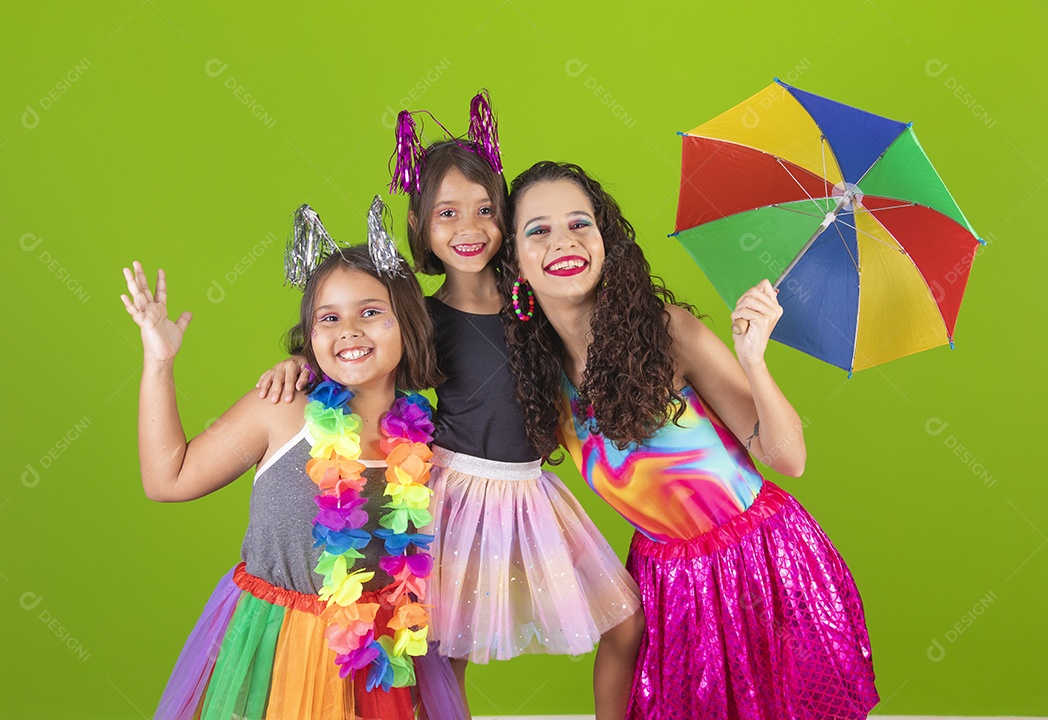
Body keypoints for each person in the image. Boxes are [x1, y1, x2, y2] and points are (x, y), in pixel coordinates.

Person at [258, 93, 644, 720]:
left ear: (508, 220)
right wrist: (300, 364)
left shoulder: (536, 297)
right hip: (457, 491)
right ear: (421, 228)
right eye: (447, 214)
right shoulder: (423, 317)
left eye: (486, 211)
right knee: (444, 650)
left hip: (531, 490)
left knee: (623, 623)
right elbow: (358, 348)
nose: (469, 229)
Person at [502, 160, 879, 719]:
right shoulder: (534, 376)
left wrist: (754, 361)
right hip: (667, 581)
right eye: (538, 230)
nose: (564, 241)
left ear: (605, 238)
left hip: (760, 563)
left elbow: (788, 459)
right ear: (514, 260)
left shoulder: (668, 330)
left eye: (580, 223)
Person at [123, 216, 464, 720]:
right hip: (273, 651)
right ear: (310, 334)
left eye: (370, 312)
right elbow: (166, 479)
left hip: (377, 662)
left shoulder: (427, 434)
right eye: (328, 318)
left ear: (408, 324)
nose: (348, 330)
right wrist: (158, 361)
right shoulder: (284, 409)